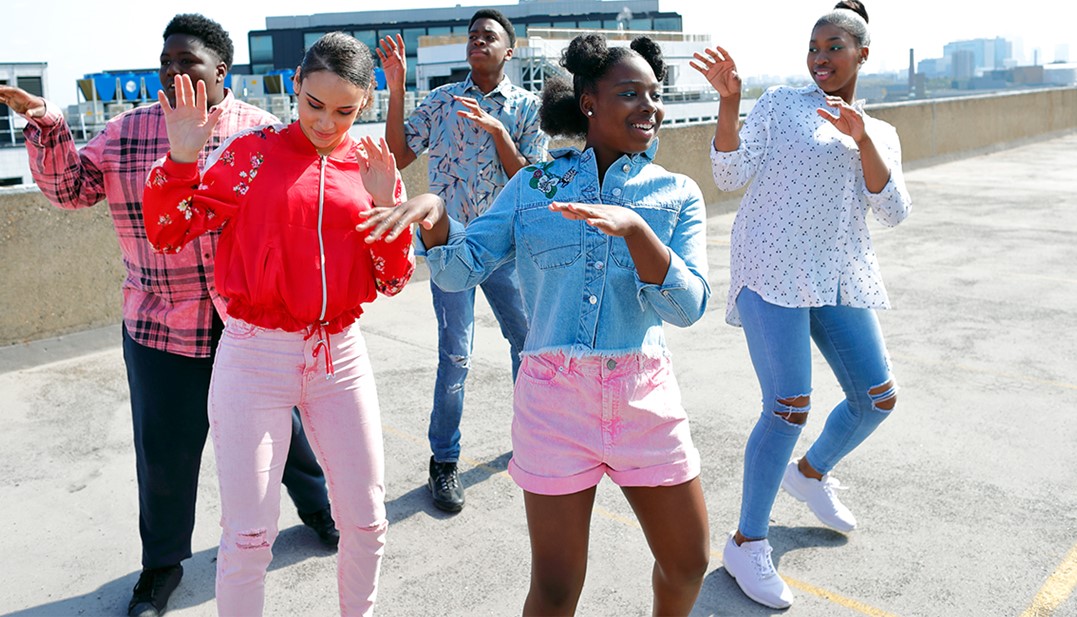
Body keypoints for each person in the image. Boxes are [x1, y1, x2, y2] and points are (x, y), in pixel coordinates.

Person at [360, 33, 711, 616]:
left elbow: (688, 306)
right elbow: (455, 272)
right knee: (554, 587)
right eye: (631, 93)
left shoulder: (677, 194)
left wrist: (637, 231)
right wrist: (438, 218)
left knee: (687, 564)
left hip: (644, 397)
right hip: (554, 403)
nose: (650, 106)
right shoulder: (533, 187)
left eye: (655, 93)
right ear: (590, 102)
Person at [0, 14, 336, 617]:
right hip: (160, 326)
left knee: (284, 435)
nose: (175, 71)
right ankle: (160, 570)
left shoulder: (259, 133)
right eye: (167, 61)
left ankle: (320, 513)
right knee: (164, 457)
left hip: (249, 327)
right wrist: (47, 122)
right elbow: (69, 188)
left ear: (221, 72)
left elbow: (305, 208)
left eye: (189, 62)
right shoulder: (128, 132)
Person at [141, 32, 414, 616]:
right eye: (314, 104)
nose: (325, 121)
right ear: (295, 84)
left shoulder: (369, 166)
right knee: (247, 535)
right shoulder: (250, 153)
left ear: (365, 102)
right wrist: (183, 158)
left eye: (343, 110)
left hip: (340, 356)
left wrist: (389, 210)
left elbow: (392, 280)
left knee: (366, 521)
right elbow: (168, 231)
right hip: (253, 357)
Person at [691, 2, 911, 609]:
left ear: (862, 54)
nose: (820, 59)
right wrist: (730, 103)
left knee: (878, 397)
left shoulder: (881, 131)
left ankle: (809, 473)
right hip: (771, 270)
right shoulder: (782, 105)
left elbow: (893, 212)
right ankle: (745, 543)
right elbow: (729, 174)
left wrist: (862, 139)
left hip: (837, 277)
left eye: (834, 47)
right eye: (813, 48)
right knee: (788, 405)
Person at [376, 8, 548, 512]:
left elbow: (533, 183)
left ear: (508, 51)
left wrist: (499, 133)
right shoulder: (443, 100)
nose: (477, 41)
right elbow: (399, 152)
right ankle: (444, 461)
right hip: (449, 245)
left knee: (529, 345)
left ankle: (534, 438)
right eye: (473, 36)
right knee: (455, 354)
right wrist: (397, 87)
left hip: (504, 248)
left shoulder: (526, 107)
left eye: (488, 36)